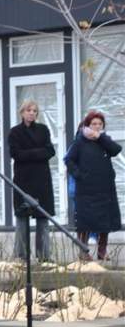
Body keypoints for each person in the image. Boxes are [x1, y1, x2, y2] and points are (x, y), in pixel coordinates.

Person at [65, 110, 121, 260]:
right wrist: (79, 175)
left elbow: (116, 150)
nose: (96, 126)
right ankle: (84, 252)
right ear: (87, 125)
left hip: (105, 187)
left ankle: (102, 251)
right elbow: (68, 160)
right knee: (86, 220)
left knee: (105, 220)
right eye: (94, 124)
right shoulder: (80, 142)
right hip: (86, 189)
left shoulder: (104, 140)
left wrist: (100, 137)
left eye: (99, 124)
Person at [9, 100, 55, 262]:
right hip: (23, 180)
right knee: (22, 217)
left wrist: (29, 153)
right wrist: (38, 153)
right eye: (29, 110)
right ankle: (20, 256)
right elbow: (16, 154)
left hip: (42, 180)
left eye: (35, 111)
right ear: (22, 112)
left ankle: (44, 257)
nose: (32, 113)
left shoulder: (43, 130)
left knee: (43, 218)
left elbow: (50, 151)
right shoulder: (15, 132)